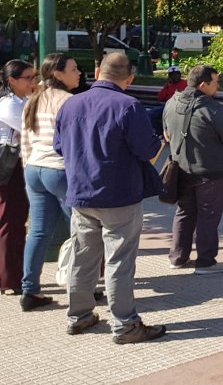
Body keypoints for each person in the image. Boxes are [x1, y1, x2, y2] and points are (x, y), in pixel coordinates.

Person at [54, 53, 165, 343]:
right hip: (119, 195)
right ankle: (126, 325)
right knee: (119, 260)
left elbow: (59, 147)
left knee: (83, 256)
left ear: (96, 71)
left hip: (81, 193)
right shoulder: (129, 106)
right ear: (129, 78)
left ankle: (78, 316)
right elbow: (147, 149)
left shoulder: (70, 104)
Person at [163, 65, 223, 274]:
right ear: (204, 84)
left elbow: (167, 136)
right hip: (210, 171)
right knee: (208, 215)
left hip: (181, 169)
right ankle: (206, 262)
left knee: (184, 212)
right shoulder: (215, 109)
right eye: (216, 82)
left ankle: (177, 257)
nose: (218, 86)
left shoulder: (171, 103)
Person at [20, 54, 81, 310]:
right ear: (58, 74)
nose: (79, 72)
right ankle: (82, 290)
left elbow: (25, 138)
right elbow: (74, 144)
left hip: (34, 168)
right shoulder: (68, 102)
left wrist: (28, 168)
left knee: (38, 231)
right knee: (82, 231)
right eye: (74, 69)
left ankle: (30, 290)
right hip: (60, 171)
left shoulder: (33, 99)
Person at [0, 59, 34, 297]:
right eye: (28, 78)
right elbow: (33, 128)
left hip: (19, 166)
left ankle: (16, 274)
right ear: (12, 80)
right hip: (9, 168)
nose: (33, 82)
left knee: (17, 220)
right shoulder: (8, 104)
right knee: (9, 221)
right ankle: (8, 278)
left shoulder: (23, 101)